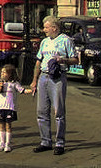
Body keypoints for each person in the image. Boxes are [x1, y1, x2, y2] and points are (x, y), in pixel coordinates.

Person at [30, 15, 78, 155]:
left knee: (58, 112)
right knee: (41, 111)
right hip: (43, 77)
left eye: (46, 27)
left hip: (57, 77)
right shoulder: (44, 42)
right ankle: (45, 141)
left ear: (54, 28)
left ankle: (60, 143)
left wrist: (62, 60)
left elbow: (75, 59)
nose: (44, 30)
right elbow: (39, 61)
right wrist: (34, 80)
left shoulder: (66, 40)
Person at [0, 63, 30, 152]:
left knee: (8, 125)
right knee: (1, 125)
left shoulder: (14, 84)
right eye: (1, 72)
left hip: (10, 107)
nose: (2, 74)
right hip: (1, 107)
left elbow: (22, 90)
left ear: (10, 74)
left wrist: (31, 90)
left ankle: (7, 144)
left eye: (4, 72)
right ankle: (1, 143)